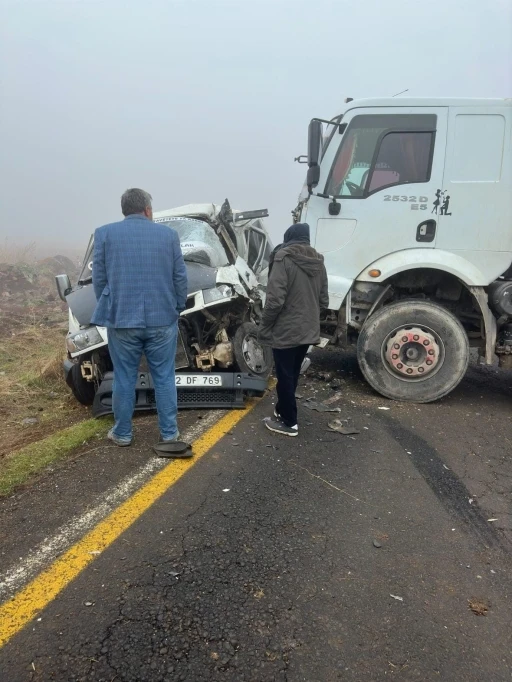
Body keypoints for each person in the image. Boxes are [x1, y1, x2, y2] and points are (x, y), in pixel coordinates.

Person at [92, 188, 187, 448]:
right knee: (164, 376)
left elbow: (99, 281)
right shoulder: (168, 236)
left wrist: (113, 305)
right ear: (147, 210)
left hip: (122, 320)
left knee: (124, 376)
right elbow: (180, 277)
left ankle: (123, 433)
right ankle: (169, 434)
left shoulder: (104, 234)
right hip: (162, 318)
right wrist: (177, 306)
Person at [259, 223, 328, 437]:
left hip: (286, 329)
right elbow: (324, 301)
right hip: (308, 329)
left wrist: (265, 325)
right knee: (293, 373)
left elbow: (274, 301)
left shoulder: (283, 258)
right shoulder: (318, 262)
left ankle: (289, 423)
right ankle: (282, 410)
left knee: (285, 375)